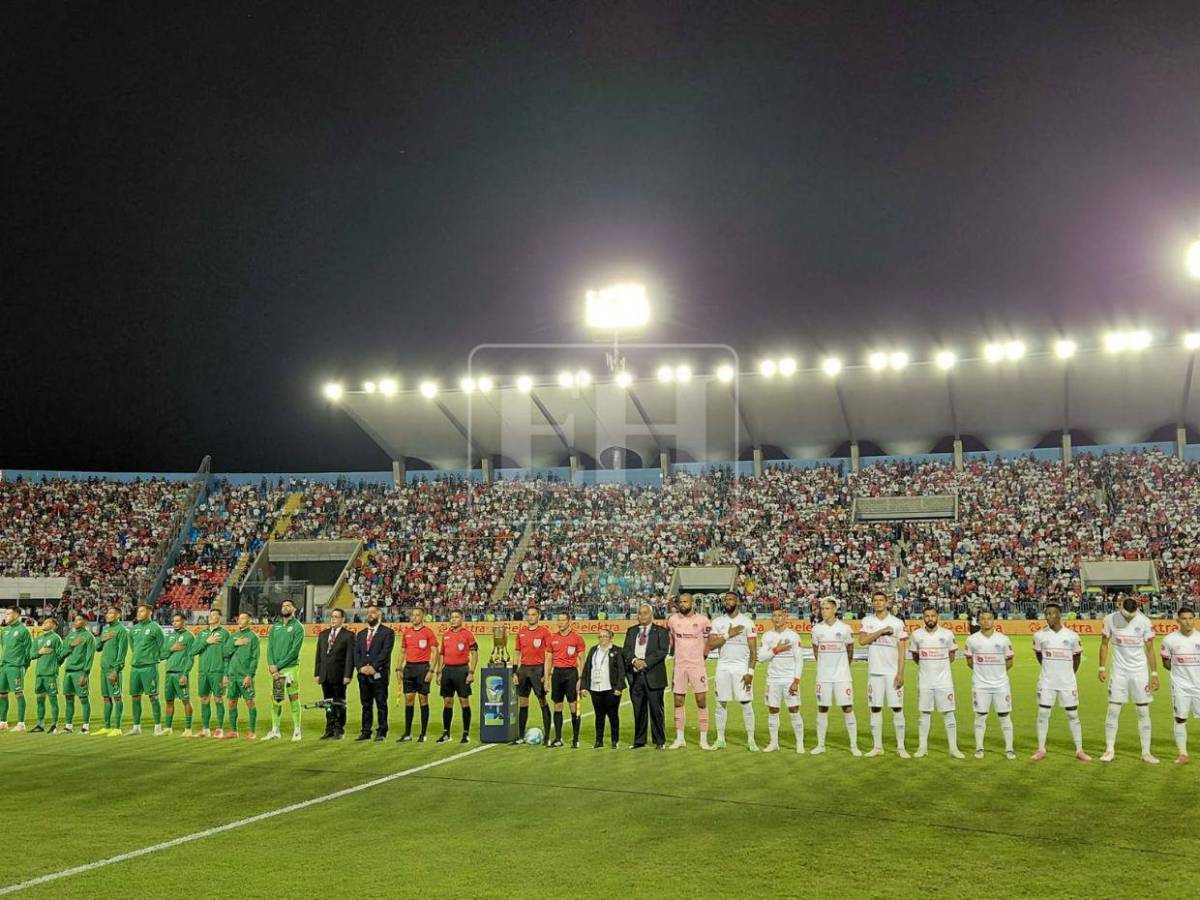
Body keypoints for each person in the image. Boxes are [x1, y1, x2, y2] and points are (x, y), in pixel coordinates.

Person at [1099, 593, 1159, 764]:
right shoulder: (1110, 619)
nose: (1129, 618)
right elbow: (1104, 644)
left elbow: (1149, 649)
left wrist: (1154, 674)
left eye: (1132, 615)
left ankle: (1146, 752)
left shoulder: (1144, 621)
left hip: (1139, 672)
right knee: (1113, 710)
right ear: (1120, 607)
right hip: (1119, 672)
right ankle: (1109, 750)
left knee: (1143, 711)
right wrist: (1101, 667)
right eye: (1126, 614)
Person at [1031, 602, 1090, 761]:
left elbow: (1076, 658)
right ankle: (1041, 749)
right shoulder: (1039, 636)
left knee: (1072, 714)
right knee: (1043, 713)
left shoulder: (1071, 636)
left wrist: (1069, 674)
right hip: (1047, 682)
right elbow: (1039, 656)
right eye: (1046, 614)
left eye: (1052, 613)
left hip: (1067, 682)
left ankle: (1079, 750)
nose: (1048, 617)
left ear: (1059, 615)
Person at [858, 590, 908, 757]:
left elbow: (902, 650)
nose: (878, 603)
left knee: (897, 708)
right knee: (875, 708)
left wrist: (900, 673)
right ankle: (877, 747)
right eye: (875, 600)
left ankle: (901, 747)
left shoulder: (897, 623)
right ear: (872, 603)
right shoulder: (867, 621)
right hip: (875, 673)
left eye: (881, 600)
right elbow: (863, 641)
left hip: (892, 673)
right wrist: (881, 631)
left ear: (887, 603)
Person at [909, 605, 964, 759]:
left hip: (944, 682)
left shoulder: (947, 634)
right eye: (927, 616)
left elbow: (952, 656)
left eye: (933, 616)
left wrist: (941, 668)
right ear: (923, 618)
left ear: (937, 617)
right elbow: (915, 657)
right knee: (924, 714)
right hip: (925, 681)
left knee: (949, 713)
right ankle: (922, 748)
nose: (930, 619)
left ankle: (953, 749)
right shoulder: (916, 635)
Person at [708, 591, 758, 751]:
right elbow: (711, 645)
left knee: (746, 703)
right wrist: (728, 634)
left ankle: (751, 740)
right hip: (723, 667)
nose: (727, 602)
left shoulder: (747, 622)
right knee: (720, 703)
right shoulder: (717, 622)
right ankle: (720, 739)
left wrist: (750, 672)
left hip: (741, 669)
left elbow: (753, 650)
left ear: (738, 602)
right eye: (725, 600)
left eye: (731, 599)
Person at [963, 608, 1015, 759]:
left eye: (989, 618)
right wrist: (982, 672)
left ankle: (1009, 749)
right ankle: (979, 748)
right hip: (980, 684)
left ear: (994, 620)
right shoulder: (972, 639)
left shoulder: (1003, 639)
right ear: (978, 621)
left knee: (1005, 716)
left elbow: (1010, 661)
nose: (986, 621)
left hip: (1001, 684)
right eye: (983, 618)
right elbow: (969, 661)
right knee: (980, 716)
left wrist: (998, 673)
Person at [810, 597, 859, 756]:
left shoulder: (845, 628)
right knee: (822, 707)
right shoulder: (817, 629)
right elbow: (816, 651)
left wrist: (844, 666)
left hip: (842, 676)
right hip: (823, 676)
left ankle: (853, 746)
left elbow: (850, 649)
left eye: (827, 608)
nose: (823, 611)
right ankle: (821, 745)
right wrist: (824, 666)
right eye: (822, 608)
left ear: (835, 610)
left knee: (847, 707)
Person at [665, 592, 712, 750]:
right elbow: (671, 641)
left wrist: (702, 657)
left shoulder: (703, 621)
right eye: (680, 602)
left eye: (686, 602)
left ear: (692, 603)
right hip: (679, 665)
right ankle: (680, 739)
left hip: (697, 666)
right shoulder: (672, 620)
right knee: (678, 701)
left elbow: (708, 642)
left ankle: (703, 739)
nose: (682, 604)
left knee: (701, 700)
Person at [622, 603, 669, 749]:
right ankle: (639, 741)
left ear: (651, 614)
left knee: (656, 711)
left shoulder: (660, 631)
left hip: (653, 675)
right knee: (639, 710)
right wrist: (634, 660)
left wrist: (645, 662)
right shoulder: (631, 631)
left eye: (645, 613)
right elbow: (626, 650)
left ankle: (659, 741)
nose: (641, 616)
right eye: (640, 613)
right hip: (636, 676)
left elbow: (662, 651)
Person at [757, 608, 804, 753]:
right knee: (773, 710)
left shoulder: (794, 636)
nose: (777, 618)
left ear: (786, 617)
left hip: (789, 679)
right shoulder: (767, 636)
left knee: (794, 710)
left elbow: (799, 660)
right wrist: (777, 649)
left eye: (780, 615)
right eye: (774, 616)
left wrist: (796, 681)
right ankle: (774, 743)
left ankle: (800, 744)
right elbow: (762, 658)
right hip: (773, 680)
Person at [1161, 606, 1200, 764]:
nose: (1188, 622)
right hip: (1180, 686)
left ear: (1195, 619)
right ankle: (1183, 754)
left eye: (1190, 618)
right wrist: (1180, 674)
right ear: (1178, 620)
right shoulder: (1169, 640)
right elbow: (1166, 661)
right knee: (1180, 718)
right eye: (1184, 618)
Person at [265, 599, 305, 742]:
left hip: (290, 668)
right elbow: (269, 648)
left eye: (288, 605)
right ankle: (275, 730)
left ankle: (297, 730)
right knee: (277, 699)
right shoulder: (275, 627)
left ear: (294, 609)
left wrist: (278, 666)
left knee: (293, 697)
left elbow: (294, 652)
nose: (285, 607)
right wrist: (271, 665)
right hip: (276, 670)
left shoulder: (298, 627)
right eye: (283, 605)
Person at [434, 610, 477, 744]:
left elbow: (474, 654)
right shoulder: (446, 635)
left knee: (464, 701)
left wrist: (471, 672)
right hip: (447, 671)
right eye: (451, 617)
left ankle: (466, 733)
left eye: (456, 617)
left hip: (462, 670)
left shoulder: (468, 635)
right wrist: (439, 672)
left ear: (462, 619)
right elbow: (441, 654)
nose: (453, 619)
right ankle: (446, 733)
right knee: (447, 702)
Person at [396, 606, 437, 742]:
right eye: (412, 615)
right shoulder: (407, 632)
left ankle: (423, 733)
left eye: (417, 615)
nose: (414, 617)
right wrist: (398, 668)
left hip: (423, 669)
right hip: (409, 668)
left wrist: (431, 670)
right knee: (408, 700)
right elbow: (402, 651)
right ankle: (407, 733)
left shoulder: (428, 632)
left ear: (422, 617)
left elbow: (435, 652)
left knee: (423, 700)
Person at [512, 606, 553, 743]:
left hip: (538, 670)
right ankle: (520, 736)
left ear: (538, 616)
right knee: (523, 703)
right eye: (528, 615)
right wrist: (514, 672)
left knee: (542, 701)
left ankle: (547, 736)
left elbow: (549, 655)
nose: (530, 617)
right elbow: (517, 652)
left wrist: (547, 675)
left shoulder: (545, 632)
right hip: (523, 670)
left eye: (533, 614)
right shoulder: (521, 633)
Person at [354, 604, 394, 741]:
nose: (370, 615)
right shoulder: (361, 634)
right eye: (368, 612)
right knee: (366, 704)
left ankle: (382, 731)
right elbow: (356, 653)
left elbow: (385, 652)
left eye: (373, 612)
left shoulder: (387, 633)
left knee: (381, 703)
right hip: (363, 674)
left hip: (379, 674)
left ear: (379, 615)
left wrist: (374, 667)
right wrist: (360, 668)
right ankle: (366, 731)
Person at [580, 627, 625, 748]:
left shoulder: (617, 651)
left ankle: (615, 741)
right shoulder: (594, 650)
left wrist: (619, 687)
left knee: (613, 715)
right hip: (596, 688)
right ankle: (598, 741)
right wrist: (584, 686)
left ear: (610, 638)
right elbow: (587, 668)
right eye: (600, 636)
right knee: (599, 716)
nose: (602, 639)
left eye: (605, 636)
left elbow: (621, 671)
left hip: (611, 688)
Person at [313, 608, 354, 739]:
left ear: (343, 619)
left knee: (339, 703)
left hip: (339, 675)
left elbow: (350, 657)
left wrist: (348, 675)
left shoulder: (348, 635)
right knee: (328, 704)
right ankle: (329, 728)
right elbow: (318, 655)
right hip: (325, 675)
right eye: (332, 616)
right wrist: (317, 673)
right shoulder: (323, 634)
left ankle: (339, 729)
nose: (333, 619)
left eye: (336, 617)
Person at [548, 611, 585, 748]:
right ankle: (558, 738)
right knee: (557, 706)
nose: (560, 622)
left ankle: (576, 739)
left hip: (571, 674)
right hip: (557, 674)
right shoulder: (552, 638)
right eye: (559, 620)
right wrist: (547, 678)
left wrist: (581, 678)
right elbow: (548, 659)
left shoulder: (577, 638)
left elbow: (582, 659)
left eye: (563, 620)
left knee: (573, 706)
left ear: (569, 622)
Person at [128, 603, 166, 736]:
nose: (139, 613)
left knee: (153, 697)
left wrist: (153, 658)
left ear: (150, 612)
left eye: (142, 611)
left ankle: (158, 727)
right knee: (135, 697)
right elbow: (133, 646)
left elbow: (164, 647)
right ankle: (136, 727)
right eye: (138, 611)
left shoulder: (155, 628)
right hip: (135, 668)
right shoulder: (134, 629)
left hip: (150, 667)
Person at [193, 609, 230, 738]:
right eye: (210, 615)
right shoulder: (202, 634)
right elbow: (193, 651)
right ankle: (205, 729)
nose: (211, 617)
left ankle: (219, 729)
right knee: (204, 699)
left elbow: (228, 656)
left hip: (218, 672)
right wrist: (206, 642)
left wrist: (226, 674)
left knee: (218, 699)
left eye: (214, 615)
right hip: (203, 672)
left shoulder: (225, 634)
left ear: (220, 617)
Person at [223, 612, 260, 739]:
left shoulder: (253, 637)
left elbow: (255, 658)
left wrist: (249, 675)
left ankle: (252, 731)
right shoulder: (233, 636)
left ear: (250, 620)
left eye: (244, 618)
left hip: (244, 675)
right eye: (239, 617)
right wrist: (235, 644)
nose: (240, 620)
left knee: (250, 702)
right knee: (232, 702)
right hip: (232, 675)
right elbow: (225, 654)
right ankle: (233, 731)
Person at [95, 606, 129, 737]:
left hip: (113, 670)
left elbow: (122, 652)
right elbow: (98, 648)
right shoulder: (106, 629)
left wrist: (116, 670)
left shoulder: (121, 630)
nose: (108, 615)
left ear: (118, 615)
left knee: (117, 697)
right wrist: (101, 639)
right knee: (106, 698)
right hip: (103, 669)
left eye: (111, 613)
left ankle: (118, 728)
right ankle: (107, 726)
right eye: (107, 613)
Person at [60, 613, 96, 734]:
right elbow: (63, 653)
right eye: (75, 620)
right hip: (68, 672)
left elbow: (89, 657)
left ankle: (86, 726)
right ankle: (68, 726)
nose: (76, 621)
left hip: (80, 672)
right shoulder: (70, 636)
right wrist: (71, 645)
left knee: (83, 699)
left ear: (85, 622)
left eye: (79, 620)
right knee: (68, 699)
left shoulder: (88, 637)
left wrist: (85, 674)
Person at [161, 612, 195, 736]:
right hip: (169, 673)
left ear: (184, 621)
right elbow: (161, 655)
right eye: (173, 621)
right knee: (169, 701)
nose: (174, 623)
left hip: (181, 673)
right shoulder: (169, 637)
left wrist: (185, 674)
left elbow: (191, 658)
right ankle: (168, 728)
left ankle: (188, 729)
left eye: (177, 621)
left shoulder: (189, 637)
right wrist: (171, 649)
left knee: (185, 700)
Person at [0, 607, 33, 732]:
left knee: (18, 693)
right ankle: (3, 722)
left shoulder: (23, 631)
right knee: (2, 694)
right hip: (4, 666)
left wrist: (23, 666)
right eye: (5, 614)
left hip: (16, 667)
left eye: (8, 614)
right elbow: (4, 647)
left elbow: (28, 651)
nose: (5, 616)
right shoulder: (5, 631)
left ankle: (21, 723)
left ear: (16, 615)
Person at [31, 616, 63, 733]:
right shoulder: (38, 639)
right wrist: (40, 652)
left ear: (54, 626)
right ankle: (40, 724)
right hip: (39, 674)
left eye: (47, 622)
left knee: (53, 699)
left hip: (50, 674)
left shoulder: (56, 638)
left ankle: (54, 725)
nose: (43, 623)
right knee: (40, 700)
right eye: (43, 622)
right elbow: (31, 654)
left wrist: (54, 664)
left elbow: (61, 655)